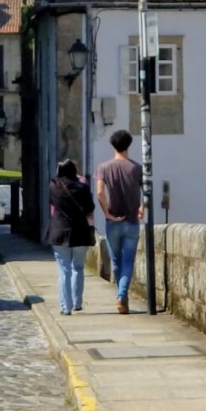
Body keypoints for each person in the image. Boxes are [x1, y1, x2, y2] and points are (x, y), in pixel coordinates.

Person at [95, 129, 144, 315]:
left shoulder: (104, 168)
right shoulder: (136, 168)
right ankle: (122, 297)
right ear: (128, 145)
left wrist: (107, 213)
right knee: (128, 261)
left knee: (116, 261)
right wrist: (142, 207)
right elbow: (146, 191)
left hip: (113, 221)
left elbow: (99, 192)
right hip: (131, 221)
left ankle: (121, 296)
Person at [47, 159, 95, 316]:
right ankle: (77, 303)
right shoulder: (82, 187)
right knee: (78, 268)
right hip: (80, 231)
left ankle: (65, 307)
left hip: (59, 231)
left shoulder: (53, 186)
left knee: (64, 270)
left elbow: (51, 202)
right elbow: (90, 208)